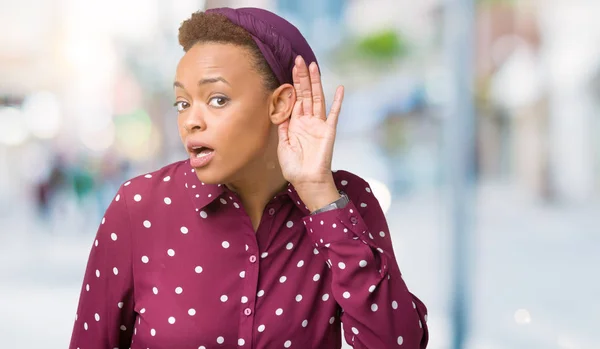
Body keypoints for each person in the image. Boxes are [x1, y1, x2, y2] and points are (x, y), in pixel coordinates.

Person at [69, 7, 429, 349]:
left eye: (217, 99)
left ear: (279, 104)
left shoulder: (345, 200)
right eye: (182, 103)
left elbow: (398, 342)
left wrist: (321, 198)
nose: (191, 121)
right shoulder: (140, 206)